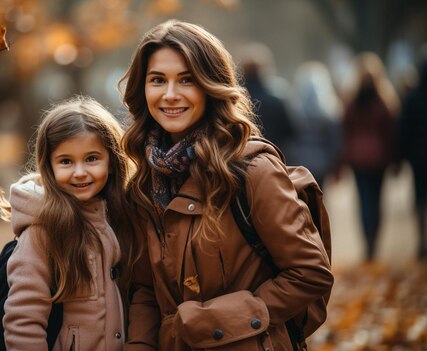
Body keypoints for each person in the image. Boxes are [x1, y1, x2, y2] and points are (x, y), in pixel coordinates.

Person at [119, 20, 333, 351]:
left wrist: (213, 322)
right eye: (157, 80)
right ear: (142, 88)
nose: (170, 94)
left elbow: (310, 274)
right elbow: (147, 290)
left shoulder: (252, 170)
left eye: (186, 80)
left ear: (210, 85)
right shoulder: (144, 183)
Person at [0, 96, 134, 350]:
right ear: (49, 166)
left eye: (92, 158)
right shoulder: (42, 230)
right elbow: (23, 319)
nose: (80, 172)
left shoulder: (119, 216)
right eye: (66, 161)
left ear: (112, 162)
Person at [339, 52, 400, 261]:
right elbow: (391, 133)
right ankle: (375, 241)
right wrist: (394, 160)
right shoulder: (384, 102)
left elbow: (345, 131)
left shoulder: (352, 102)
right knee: (378, 200)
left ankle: (367, 241)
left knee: (364, 200)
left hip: (358, 157)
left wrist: (344, 156)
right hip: (379, 157)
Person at [399, 47, 427, 259]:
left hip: (419, 159)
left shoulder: (412, 99)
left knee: (420, 200)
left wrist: (403, 155)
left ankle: (422, 240)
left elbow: (404, 130)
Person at [289, 61, 342, 189]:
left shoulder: (293, 108)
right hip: (322, 162)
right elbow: (334, 141)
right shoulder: (330, 110)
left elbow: (290, 136)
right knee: (319, 194)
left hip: (299, 160)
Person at [239, 42, 295, 158]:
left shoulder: (235, 101)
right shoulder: (276, 101)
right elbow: (290, 131)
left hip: (241, 159)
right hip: (274, 156)